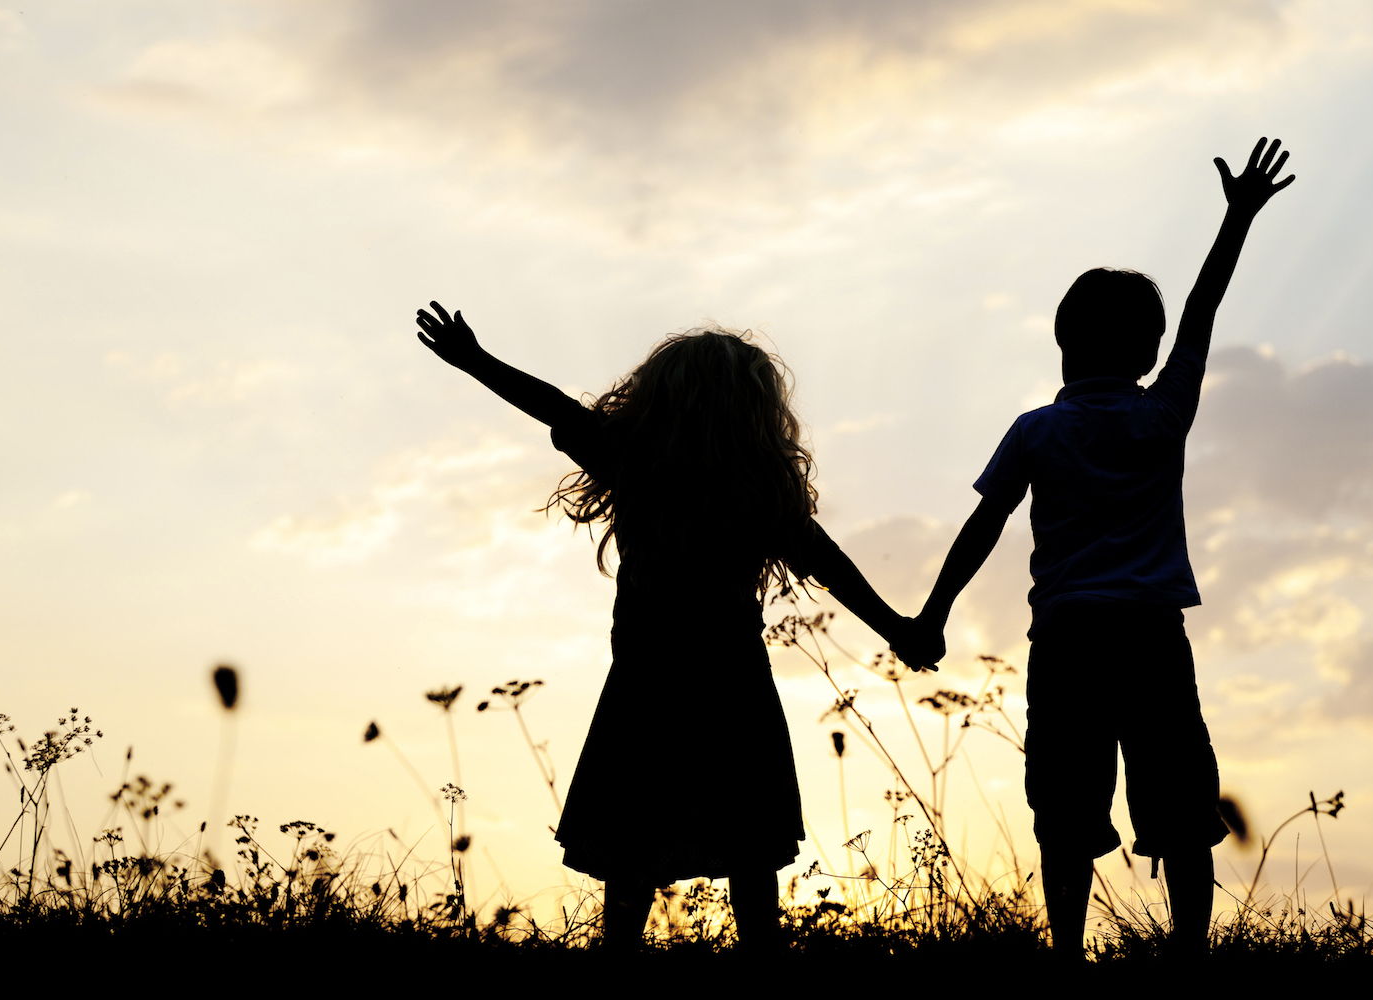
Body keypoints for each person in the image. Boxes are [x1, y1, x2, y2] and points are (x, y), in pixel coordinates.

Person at [894, 138, 1295, 959]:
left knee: (1066, 808)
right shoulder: (1163, 413)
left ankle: (1068, 952)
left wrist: (932, 613)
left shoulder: (1037, 431)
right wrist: (1237, 220)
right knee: (1183, 804)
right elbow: (1203, 311)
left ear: (1062, 343)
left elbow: (983, 528)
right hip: (1150, 633)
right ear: (1148, 353)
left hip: (1069, 638)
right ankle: (1189, 950)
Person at [415, 310, 922, 948]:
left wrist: (476, 362)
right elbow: (833, 568)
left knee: (631, 850)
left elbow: (554, 408)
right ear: (755, 408)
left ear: (662, 394)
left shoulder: (632, 457)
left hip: (646, 679)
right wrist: (901, 630)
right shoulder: (758, 487)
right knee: (749, 852)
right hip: (733, 682)